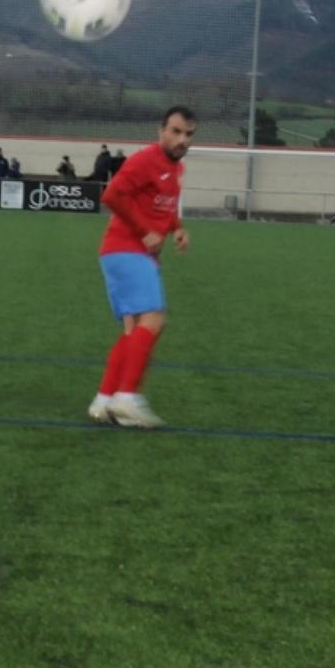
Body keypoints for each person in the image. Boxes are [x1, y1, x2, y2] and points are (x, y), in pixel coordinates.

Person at [88, 106, 196, 429]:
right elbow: (112, 195)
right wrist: (144, 231)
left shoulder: (176, 168)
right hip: (125, 249)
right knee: (154, 319)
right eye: (176, 131)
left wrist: (177, 228)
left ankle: (104, 400)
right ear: (161, 131)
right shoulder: (144, 160)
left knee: (134, 329)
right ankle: (127, 397)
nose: (182, 139)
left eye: (188, 134)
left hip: (135, 254)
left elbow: (165, 205)